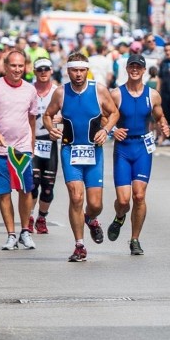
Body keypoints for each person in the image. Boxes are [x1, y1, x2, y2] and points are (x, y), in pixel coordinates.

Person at [43, 52, 120, 262]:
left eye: (82, 70)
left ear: (87, 70)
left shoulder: (99, 90)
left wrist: (106, 131)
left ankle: (91, 219)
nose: (78, 74)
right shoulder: (61, 93)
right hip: (70, 150)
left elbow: (114, 113)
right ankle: (80, 245)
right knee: (76, 197)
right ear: (68, 71)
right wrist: (51, 129)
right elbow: (47, 115)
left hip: (93, 152)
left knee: (96, 205)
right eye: (74, 70)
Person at [107, 54, 170, 256]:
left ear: (144, 71)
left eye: (139, 67)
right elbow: (102, 117)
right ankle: (119, 217)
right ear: (127, 69)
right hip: (123, 148)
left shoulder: (152, 95)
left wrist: (164, 125)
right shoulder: (116, 94)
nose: (135, 69)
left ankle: (135, 239)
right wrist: (112, 130)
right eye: (132, 66)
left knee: (139, 195)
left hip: (142, 147)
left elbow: (160, 116)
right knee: (124, 201)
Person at [0, 50, 39, 251]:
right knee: (4, 193)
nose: (17, 69)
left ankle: (25, 231)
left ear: (25, 67)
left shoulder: (30, 90)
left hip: (21, 149)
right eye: (13, 65)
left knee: (25, 190)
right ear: (5, 66)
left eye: (20, 66)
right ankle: (11, 235)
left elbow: (32, 118)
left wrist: (31, 145)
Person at [29, 58, 59, 236]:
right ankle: (29, 216)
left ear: (51, 71)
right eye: (39, 69)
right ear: (34, 72)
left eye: (46, 69)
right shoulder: (29, 90)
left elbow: (68, 112)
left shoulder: (58, 91)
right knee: (32, 184)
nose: (43, 72)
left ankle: (42, 217)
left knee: (48, 187)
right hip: (31, 141)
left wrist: (61, 119)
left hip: (50, 141)